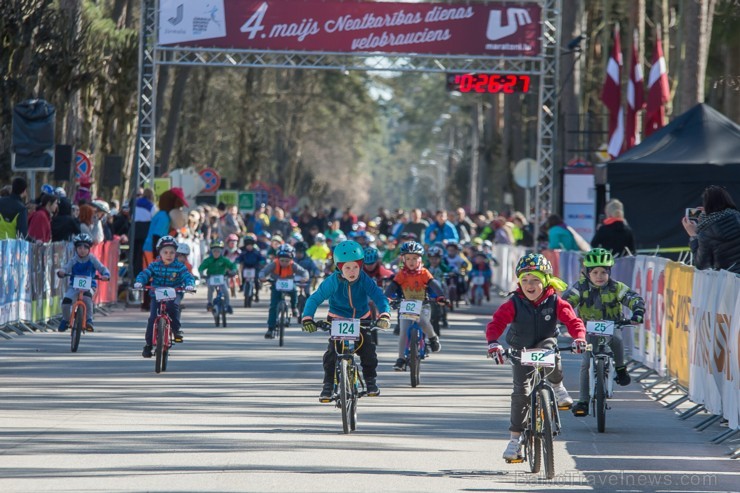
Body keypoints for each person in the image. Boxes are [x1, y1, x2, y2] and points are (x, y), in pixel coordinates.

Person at [486, 253, 586, 461]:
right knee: (521, 393)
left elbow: (573, 321)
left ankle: (557, 387)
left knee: (551, 348)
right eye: (525, 280)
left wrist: (579, 338)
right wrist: (494, 343)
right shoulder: (514, 303)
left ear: (546, 281)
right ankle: (515, 440)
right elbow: (496, 324)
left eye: (535, 280)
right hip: (520, 349)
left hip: (544, 343)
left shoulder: (555, 301)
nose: (529, 285)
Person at [300, 240, 391, 401]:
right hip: (337, 319)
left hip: (361, 319)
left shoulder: (364, 279)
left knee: (368, 351)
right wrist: (307, 318)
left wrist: (384, 314)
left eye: (356, 267)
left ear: (361, 266)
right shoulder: (332, 281)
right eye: (347, 267)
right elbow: (314, 299)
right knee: (332, 354)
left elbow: (379, 296)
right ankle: (328, 385)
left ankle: (370, 381)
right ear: (339, 267)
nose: (352, 271)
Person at [562, 248, 645, 417]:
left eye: (603, 272)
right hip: (587, 329)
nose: (599, 276)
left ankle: (621, 368)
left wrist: (637, 312)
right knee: (586, 363)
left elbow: (634, 298)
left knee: (617, 339)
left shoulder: (616, 287)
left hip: (612, 324)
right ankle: (584, 401)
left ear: (609, 272)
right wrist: (562, 316)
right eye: (595, 272)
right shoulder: (580, 288)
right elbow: (566, 303)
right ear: (587, 273)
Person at [384, 241, 445, 371]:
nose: (411, 261)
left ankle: (433, 338)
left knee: (423, 322)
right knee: (403, 331)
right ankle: (401, 359)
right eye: (408, 258)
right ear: (403, 260)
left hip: (423, 305)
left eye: (415, 258)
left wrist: (441, 296)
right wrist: (387, 297)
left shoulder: (424, 273)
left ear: (420, 259)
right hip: (406, 305)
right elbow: (392, 286)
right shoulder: (401, 274)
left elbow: (434, 284)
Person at [135, 235, 195, 357]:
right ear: (160, 253)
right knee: (152, 318)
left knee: (173, 307)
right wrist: (140, 282)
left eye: (172, 252)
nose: (169, 255)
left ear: (176, 254)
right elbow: (145, 273)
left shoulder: (179, 266)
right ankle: (148, 345)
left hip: (175, 292)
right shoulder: (154, 265)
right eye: (165, 252)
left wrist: (189, 285)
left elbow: (187, 276)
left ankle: (176, 330)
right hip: (157, 293)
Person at [56, 233, 111, 332]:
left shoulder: (92, 259)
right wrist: (62, 272)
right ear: (76, 249)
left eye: (85, 247)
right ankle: (66, 319)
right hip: (74, 287)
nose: (82, 250)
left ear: (89, 249)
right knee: (66, 301)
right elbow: (66, 268)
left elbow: (102, 268)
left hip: (90, 286)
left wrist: (106, 275)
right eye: (79, 247)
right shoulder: (73, 260)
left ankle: (89, 320)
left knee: (87, 297)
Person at [682, 185, 740, 274]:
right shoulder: (737, 217)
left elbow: (701, 265)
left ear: (707, 204)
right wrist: (708, 216)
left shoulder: (706, 232)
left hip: (731, 282)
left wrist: (693, 235)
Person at [260, 244, 309, 339]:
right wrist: (262, 277)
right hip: (276, 285)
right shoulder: (274, 264)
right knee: (273, 306)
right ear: (278, 259)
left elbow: (304, 272)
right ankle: (270, 328)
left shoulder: (293, 265)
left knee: (294, 291)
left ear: (291, 260)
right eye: (282, 260)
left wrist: (305, 277)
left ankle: (294, 308)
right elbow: (264, 271)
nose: (284, 263)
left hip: (290, 284)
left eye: (287, 261)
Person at [198, 239, 237, 314]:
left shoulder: (224, 259)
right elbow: (201, 267)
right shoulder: (208, 260)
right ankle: (209, 302)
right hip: (211, 277)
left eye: (218, 251)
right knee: (210, 289)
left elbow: (232, 265)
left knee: (225, 291)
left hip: (222, 278)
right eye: (214, 251)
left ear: (221, 252)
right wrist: (202, 273)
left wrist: (234, 270)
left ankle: (228, 305)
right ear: (212, 252)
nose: (216, 253)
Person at [237, 234, 265, 302]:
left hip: (254, 268)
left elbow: (261, 258)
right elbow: (239, 258)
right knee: (243, 278)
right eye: (247, 245)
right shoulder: (244, 253)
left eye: (250, 245)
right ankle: (242, 287)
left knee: (256, 280)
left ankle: (257, 293)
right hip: (246, 268)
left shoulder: (256, 252)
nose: (249, 246)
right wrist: (237, 261)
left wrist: (262, 261)